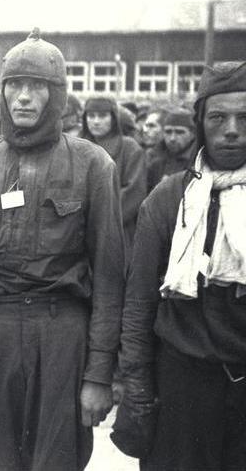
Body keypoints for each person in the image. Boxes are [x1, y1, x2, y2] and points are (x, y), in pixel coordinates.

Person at [0, 30, 125, 471]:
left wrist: (100, 373)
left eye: (37, 87)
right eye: (14, 85)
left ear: (56, 96)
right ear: (1, 91)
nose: (23, 98)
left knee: (55, 462)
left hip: (59, 331)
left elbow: (109, 277)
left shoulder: (92, 164)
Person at [114, 61, 246, 470]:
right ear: (201, 124)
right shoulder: (170, 199)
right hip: (181, 389)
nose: (231, 130)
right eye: (218, 117)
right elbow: (138, 303)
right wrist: (135, 383)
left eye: (245, 118)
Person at [80, 96, 147, 252]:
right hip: (79, 230)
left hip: (116, 229)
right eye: (91, 116)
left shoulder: (130, 148)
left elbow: (134, 191)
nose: (96, 121)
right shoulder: (77, 146)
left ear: (113, 118)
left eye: (102, 116)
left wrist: (98, 219)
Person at [146, 107, 198, 192]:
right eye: (168, 132)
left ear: (192, 134)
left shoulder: (200, 160)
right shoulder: (154, 159)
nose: (172, 138)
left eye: (179, 132)